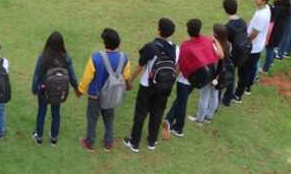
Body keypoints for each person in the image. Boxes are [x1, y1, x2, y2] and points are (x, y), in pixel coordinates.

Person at [123, 18, 176, 153]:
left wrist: (130, 81)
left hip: (147, 85)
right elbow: (176, 68)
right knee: (157, 113)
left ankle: (134, 142)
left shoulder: (151, 47)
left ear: (158, 30)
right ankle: (152, 141)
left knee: (140, 114)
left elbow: (140, 66)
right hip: (164, 86)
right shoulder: (176, 49)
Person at [77, 28, 131, 152]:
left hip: (95, 96)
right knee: (109, 119)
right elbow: (126, 76)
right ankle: (108, 143)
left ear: (104, 42)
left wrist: (80, 90)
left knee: (92, 119)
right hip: (112, 95)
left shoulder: (95, 57)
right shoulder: (124, 58)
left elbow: (87, 78)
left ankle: (89, 142)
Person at [164, 18, 220, 136]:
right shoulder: (206, 40)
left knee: (182, 102)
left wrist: (172, 77)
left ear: (188, 30)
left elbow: (180, 65)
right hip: (199, 79)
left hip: (186, 79)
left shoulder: (185, 46)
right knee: (180, 100)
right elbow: (217, 55)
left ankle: (178, 128)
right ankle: (169, 118)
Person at [31, 31, 79, 146]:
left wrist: (34, 89)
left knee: (41, 112)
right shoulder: (66, 58)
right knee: (56, 113)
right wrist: (76, 88)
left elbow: (37, 75)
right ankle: (54, 138)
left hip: (43, 89)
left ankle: (39, 137)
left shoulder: (43, 57)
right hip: (58, 90)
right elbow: (72, 76)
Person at [233, 0, 271, 103]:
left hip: (252, 48)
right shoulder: (265, 9)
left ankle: (238, 95)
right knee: (250, 68)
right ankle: (248, 87)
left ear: (263, 0)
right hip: (256, 46)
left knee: (243, 71)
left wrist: (245, 42)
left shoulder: (262, 15)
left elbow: (254, 33)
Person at [262, 0, 289, 73]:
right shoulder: (285, 6)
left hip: (274, 33)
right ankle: (271, 61)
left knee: (269, 49)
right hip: (280, 31)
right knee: (272, 49)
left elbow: (272, 23)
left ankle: (265, 69)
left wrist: (267, 37)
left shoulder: (278, 9)